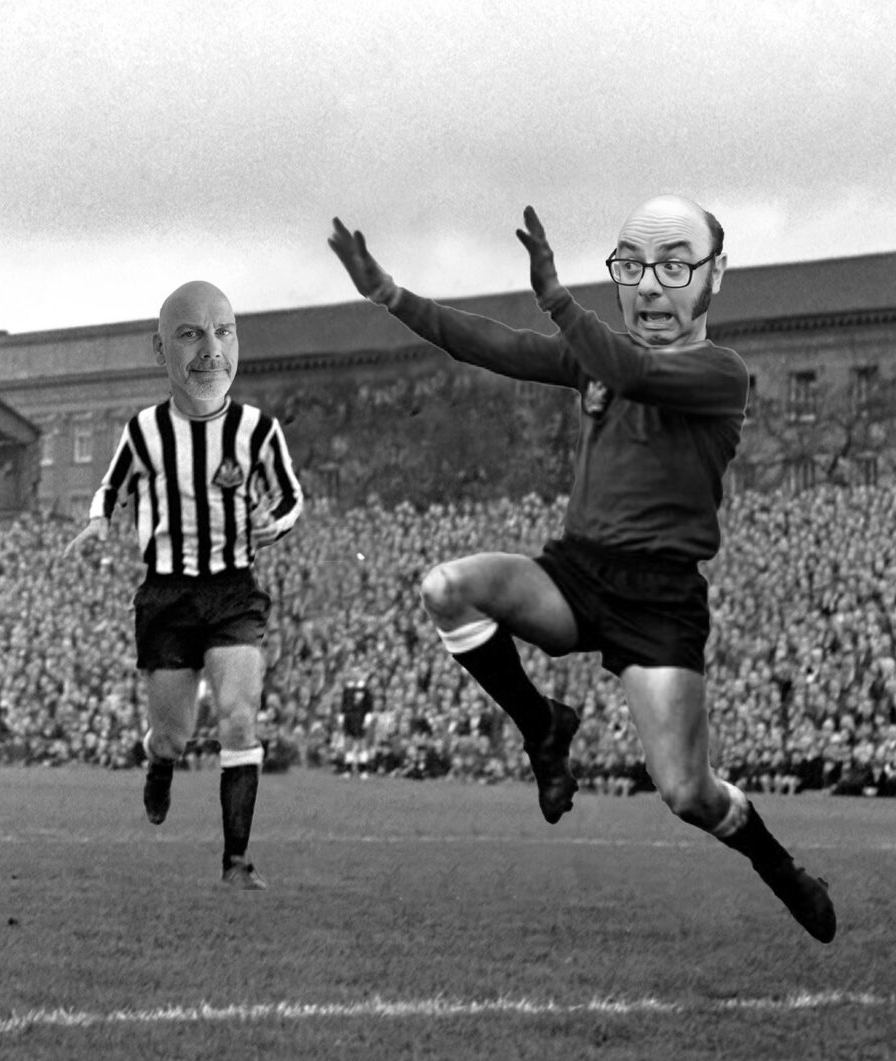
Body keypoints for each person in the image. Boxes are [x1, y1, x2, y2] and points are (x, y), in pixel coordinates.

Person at [328, 201, 835, 942]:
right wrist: (390, 294)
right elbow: (492, 345)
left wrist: (558, 297)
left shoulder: (721, 372)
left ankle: (780, 868)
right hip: (576, 574)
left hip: (660, 600)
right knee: (447, 588)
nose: (652, 290)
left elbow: (627, 365)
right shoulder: (594, 358)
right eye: (634, 270)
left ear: (712, 276)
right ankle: (544, 725)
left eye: (673, 269)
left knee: (688, 794)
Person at [65, 280, 303, 889]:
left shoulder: (258, 431)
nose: (210, 349)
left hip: (233, 590)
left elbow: (292, 501)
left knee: (239, 719)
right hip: (167, 594)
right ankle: (160, 763)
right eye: (191, 334)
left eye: (222, 331)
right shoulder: (144, 430)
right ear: (161, 348)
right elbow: (111, 486)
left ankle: (237, 861)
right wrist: (97, 523)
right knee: (173, 733)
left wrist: (269, 525)